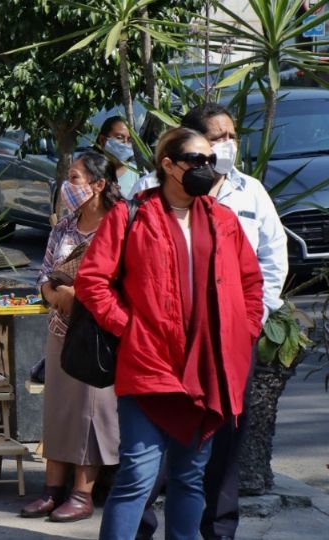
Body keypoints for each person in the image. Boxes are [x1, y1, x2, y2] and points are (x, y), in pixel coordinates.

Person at [76, 127, 264, 539]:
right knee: (138, 477)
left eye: (210, 162)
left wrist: (245, 329)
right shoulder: (131, 216)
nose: (206, 169)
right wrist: (130, 328)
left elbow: (251, 283)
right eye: (196, 161)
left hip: (206, 368)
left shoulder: (223, 219)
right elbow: (92, 281)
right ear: (168, 165)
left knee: (190, 477)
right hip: (149, 366)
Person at [130, 103, 289, 540]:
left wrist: (252, 321)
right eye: (217, 137)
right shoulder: (150, 192)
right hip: (167, 344)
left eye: (231, 135)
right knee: (156, 449)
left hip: (231, 343)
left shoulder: (250, 192)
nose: (227, 144)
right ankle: (141, 529)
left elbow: (271, 260)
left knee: (223, 443)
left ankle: (218, 530)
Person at [20, 151, 121, 522]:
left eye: (75, 178)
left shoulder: (118, 226)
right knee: (59, 410)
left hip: (97, 334)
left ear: (98, 185)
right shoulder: (64, 227)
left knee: (92, 413)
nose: (68, 185)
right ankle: (51, 489)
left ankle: (82, 493)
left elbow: (122, 281)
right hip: (60, 330)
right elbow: (44, 272)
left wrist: (78, 296)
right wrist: (53, 294)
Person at [96, 116, 139, 198]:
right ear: (102, 140)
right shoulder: (89, 171)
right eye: (119, 137)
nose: (125, 143)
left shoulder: (137, 174)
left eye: (129, 140)